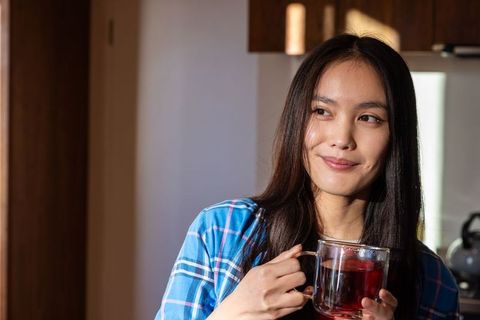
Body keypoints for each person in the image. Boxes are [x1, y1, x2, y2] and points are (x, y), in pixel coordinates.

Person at [155, 34, 459, 319]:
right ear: (297, 120)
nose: (342, 139)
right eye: (322, 111)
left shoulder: (431, 278)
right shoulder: (221, 232)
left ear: (397, 137)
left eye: (369, 118)